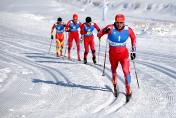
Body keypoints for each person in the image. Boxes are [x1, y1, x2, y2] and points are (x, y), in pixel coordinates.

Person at [97, 14, 136, 102]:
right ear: (115, 22)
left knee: (127, 72)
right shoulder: (110, 28)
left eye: (121, 23)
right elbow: (98, 34)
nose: (119, 24)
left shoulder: (128, 30)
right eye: (117, 22)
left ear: (124, 22)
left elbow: (134, 38)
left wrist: (133, 50)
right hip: (113, 55)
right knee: (113, 70)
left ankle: (128, 89)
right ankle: (114, 85)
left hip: (124, 55)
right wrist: (104, 32)